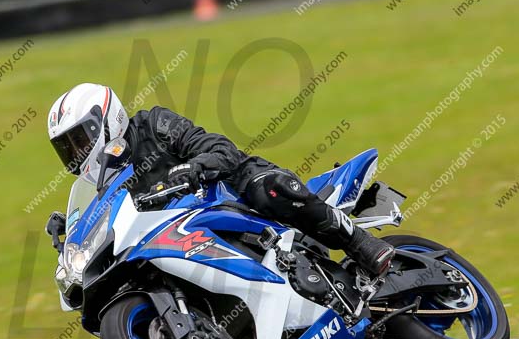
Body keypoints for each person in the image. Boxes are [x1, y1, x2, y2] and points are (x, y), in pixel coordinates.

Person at [47, 83, 394, 276]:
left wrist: (194, 167)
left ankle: (359, 242)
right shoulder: (104, 178)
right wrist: (73, 225)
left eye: (79, 140)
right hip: (178, 235)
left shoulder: (153, 124)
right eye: (67, 148)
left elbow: (220, 149)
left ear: (107, 119)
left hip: (232, 189)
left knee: (271, 190)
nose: (76, 153)